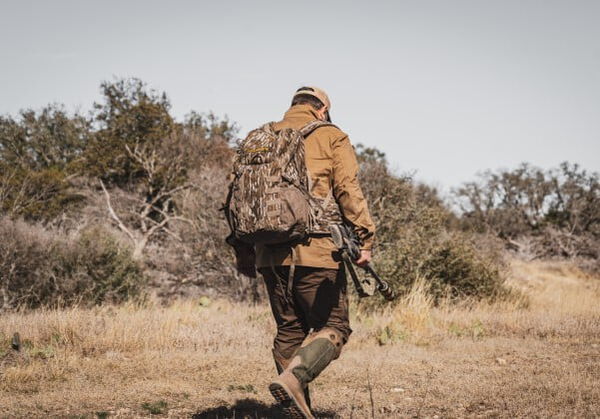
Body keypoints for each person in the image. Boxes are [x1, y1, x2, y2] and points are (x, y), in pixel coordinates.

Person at [233, 86, 376, 418]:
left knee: (290, 331)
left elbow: (236, 198)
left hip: (269, 256)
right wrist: (365, 238)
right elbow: (347, 189)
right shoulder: (330, 135)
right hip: (319, 250)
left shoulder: (259, 138)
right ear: (322, 110)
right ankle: (295, 379)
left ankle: (297, 408)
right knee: (335, 326)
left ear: (293, 106)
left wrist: (244, 252)